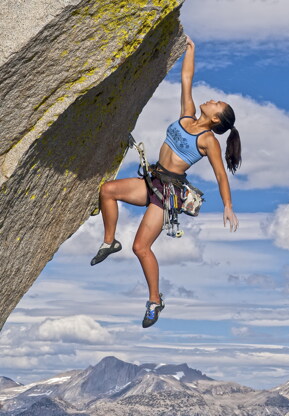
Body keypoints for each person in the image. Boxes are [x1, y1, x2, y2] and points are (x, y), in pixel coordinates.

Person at [90, 35, 240, 328]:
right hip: (151, 178)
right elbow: (186, 78)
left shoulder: (208, 140)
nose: (210, 100)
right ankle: (109, 242)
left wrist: (228, 205)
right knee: (107, 191)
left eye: (216, 103)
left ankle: (155, 300)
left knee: (142, 248)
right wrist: (191, 49)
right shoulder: (186, 116)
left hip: (167, 194)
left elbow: (220, 174)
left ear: (215, 119)